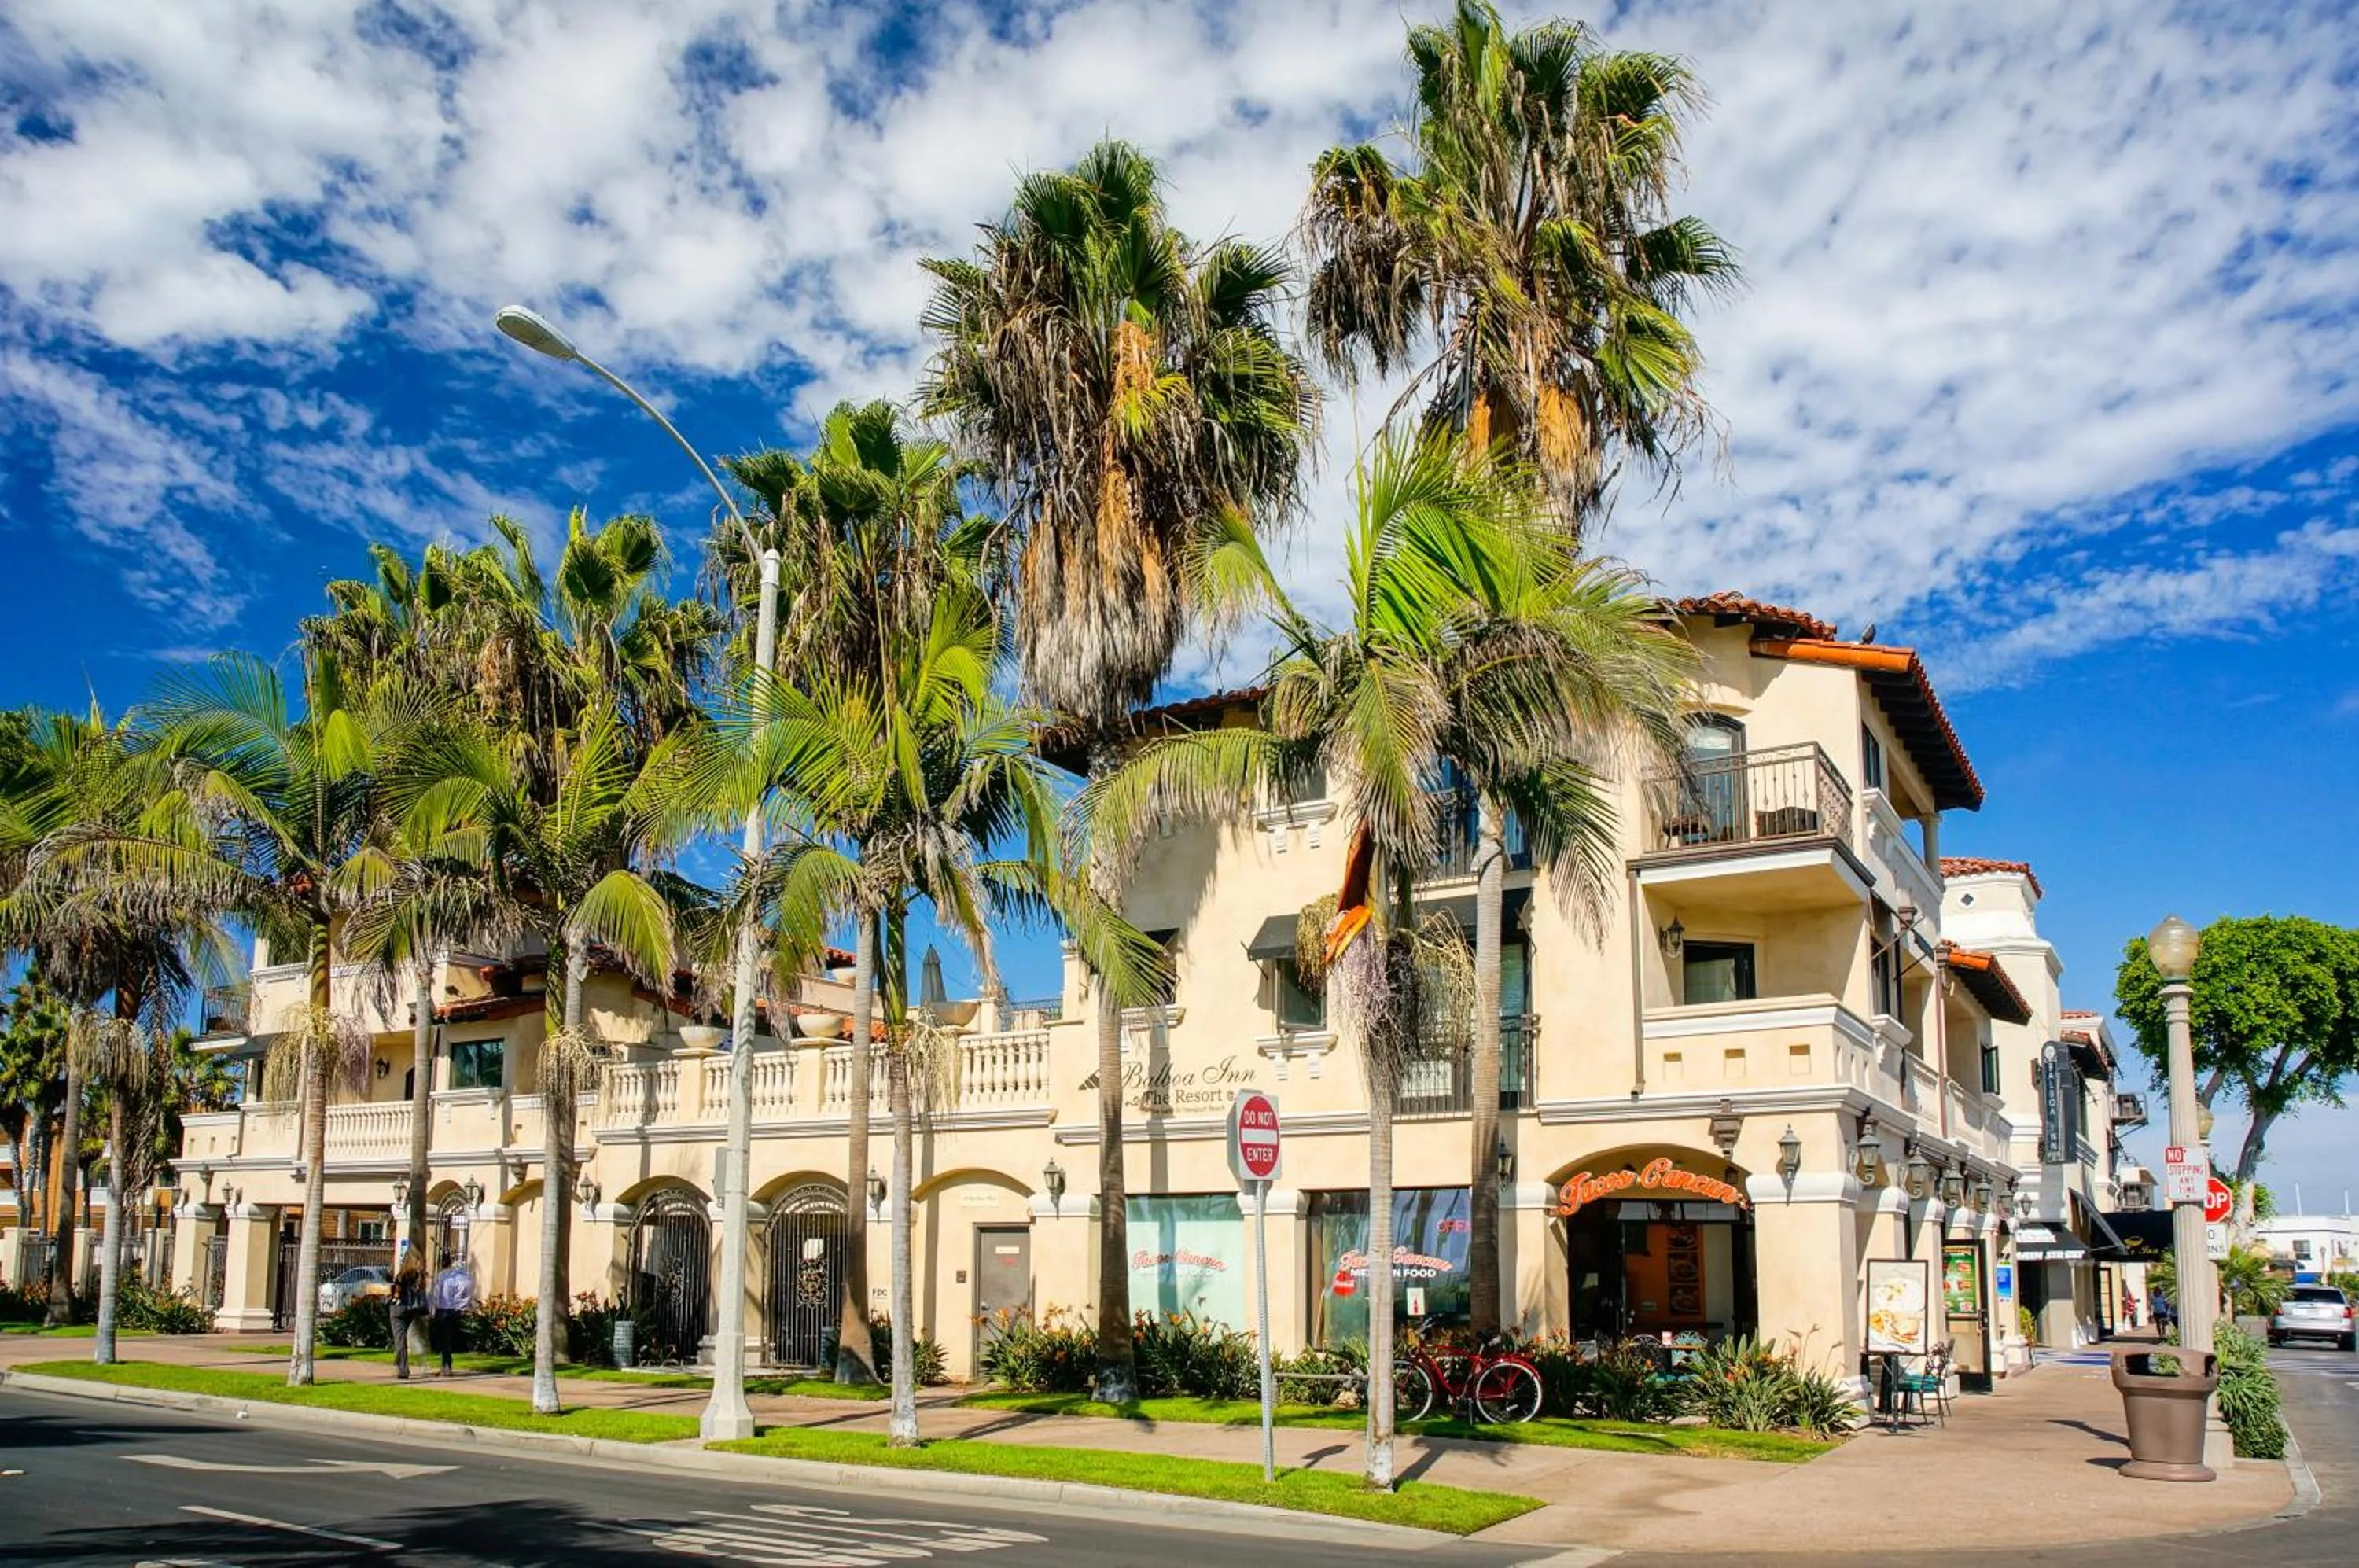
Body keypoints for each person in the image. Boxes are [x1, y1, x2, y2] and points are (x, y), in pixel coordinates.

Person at [430, 1250, 475, 1377]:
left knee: (443, 1340)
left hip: (443, 1310)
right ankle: (446, 1365)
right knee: (449, 1338)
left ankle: (446, 1366)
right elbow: (465, 1288)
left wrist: (432, 1309)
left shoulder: (441, 1276)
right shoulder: (459, 1275)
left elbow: (435, 1294)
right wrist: (460, 1304)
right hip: (454, 1310)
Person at [389, 1243, 429, 1380]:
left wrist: (392, 1299)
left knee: (399, 1339)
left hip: (399, 1309)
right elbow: (422, 1290)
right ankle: (400, 1361)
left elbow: (397, 1294)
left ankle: (403, 1369)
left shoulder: (402, 1276)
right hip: (413, 1309)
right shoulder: (419, 1276)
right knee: (404, 1336)